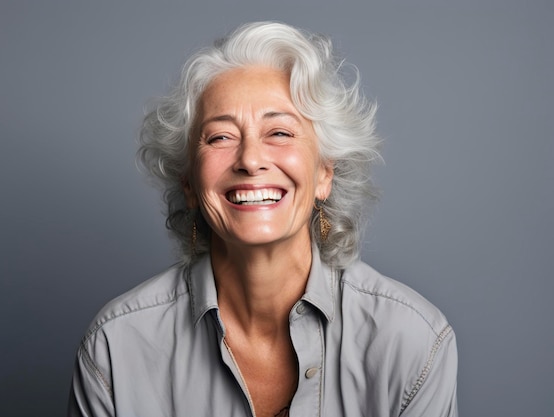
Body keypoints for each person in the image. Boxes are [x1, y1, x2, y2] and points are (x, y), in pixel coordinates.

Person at [68, 21, 458, 417]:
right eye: (220, 137)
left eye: (280, 133)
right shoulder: (115, 349)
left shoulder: (412, 342)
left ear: (325, 173)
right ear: (188, 183)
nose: (251, 160)